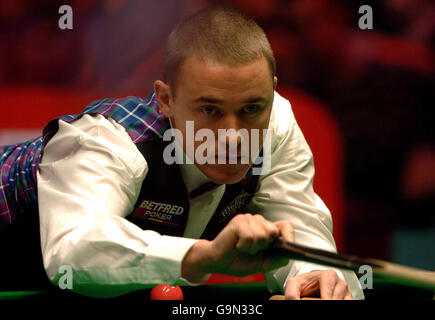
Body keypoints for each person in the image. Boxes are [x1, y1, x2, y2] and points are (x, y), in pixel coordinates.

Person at [0, 6, 363, 299]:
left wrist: (317, 280)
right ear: (166, 100)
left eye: (251, 108)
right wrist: (204, 255)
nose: (233, 136)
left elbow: (303, 232)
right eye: (210, 111)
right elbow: (74, 251)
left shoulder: (276, 125)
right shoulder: (107, 142)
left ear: (271, 91)